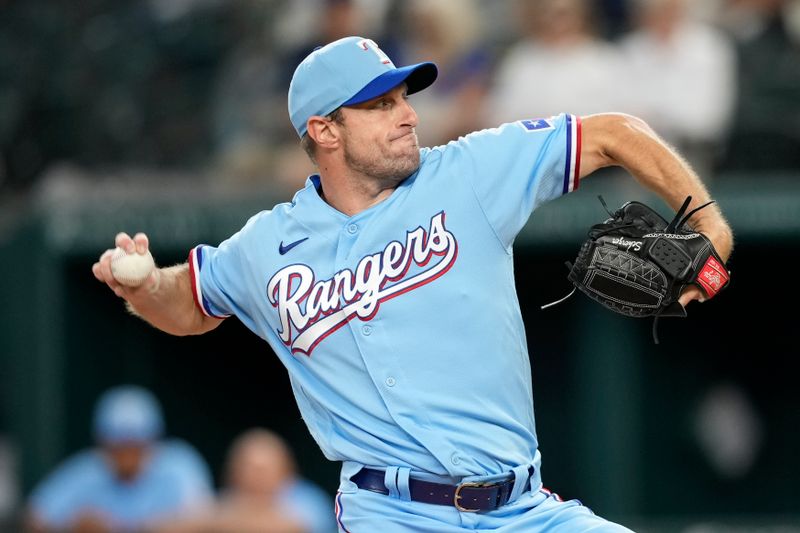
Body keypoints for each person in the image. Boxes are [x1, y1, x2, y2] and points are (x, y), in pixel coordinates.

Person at [92, 36, 734, 532]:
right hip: (392, 513)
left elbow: (615, 135)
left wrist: (712, 231)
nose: (406, 116)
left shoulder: (468, 173)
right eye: (379, 105)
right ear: (324, 130)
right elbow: (191, 305)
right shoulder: (266, 246)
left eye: (404, 99)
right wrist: (146, 285)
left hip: (523, 509)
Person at [25, 385, 214, 533]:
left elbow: (205, 520)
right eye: (118, 446)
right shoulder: (88, 468)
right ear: (102, 443)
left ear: (154, 440)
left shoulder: (178, 464)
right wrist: (71, 527)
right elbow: (36, 517)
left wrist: (130, 528)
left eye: (135, 445)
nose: (127, 455)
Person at [153, 428, 335, 533]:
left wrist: (224, 518)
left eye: (263, 469)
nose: (256, 477)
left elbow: (294, 527)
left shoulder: (307, 498)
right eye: (248, 467)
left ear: (286, 471)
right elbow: (165, 527)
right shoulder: (224, 499)